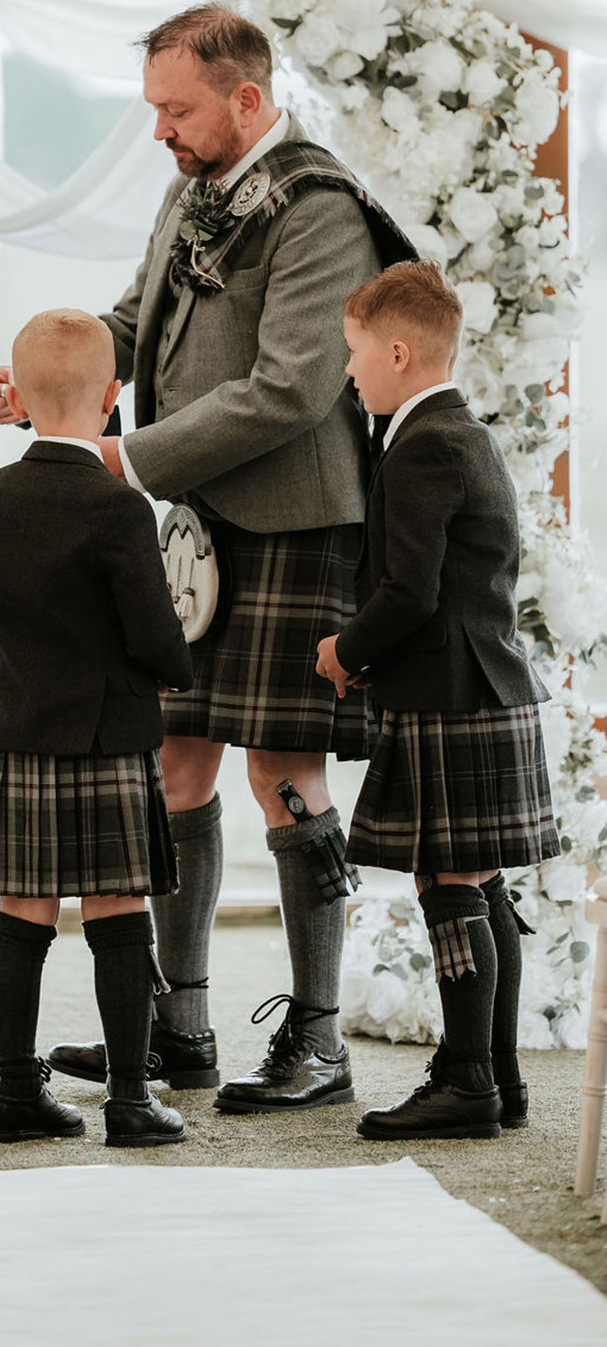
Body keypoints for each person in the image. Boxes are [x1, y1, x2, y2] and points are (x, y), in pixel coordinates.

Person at [0, 4, 415, 1113]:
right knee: (173, 763)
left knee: (283, 774)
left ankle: (318, 1041)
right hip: (203, 528)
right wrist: (47, 382)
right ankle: (180, 1027)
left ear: (246, 101)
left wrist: (125, 459)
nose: (161, 129)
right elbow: (134, 319)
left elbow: (294, 387)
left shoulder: (318, 210)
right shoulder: (192, 189)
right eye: (157, 109)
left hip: (298, 523)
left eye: (177, 109)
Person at [316, 260, 558, 1140]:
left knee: (448, 882)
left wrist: (345, 650)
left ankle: (466, 1083)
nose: (348, 371)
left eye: (352, 353)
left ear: (399, 351)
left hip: (450, 696)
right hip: (485, 684)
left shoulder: (421, 446)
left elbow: (410, 592)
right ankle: (496, 1078)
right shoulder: (468, 434)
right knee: (480, 882)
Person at [0, 310, 193, 1146]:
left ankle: (16, 1094)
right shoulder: (120, 506)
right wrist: (179, 669)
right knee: (118, 912)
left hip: (21, 728)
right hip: (108, 733)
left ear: (16, 397)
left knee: (20, 915)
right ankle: (130, 1099)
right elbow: (152, 631)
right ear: (112, 397)